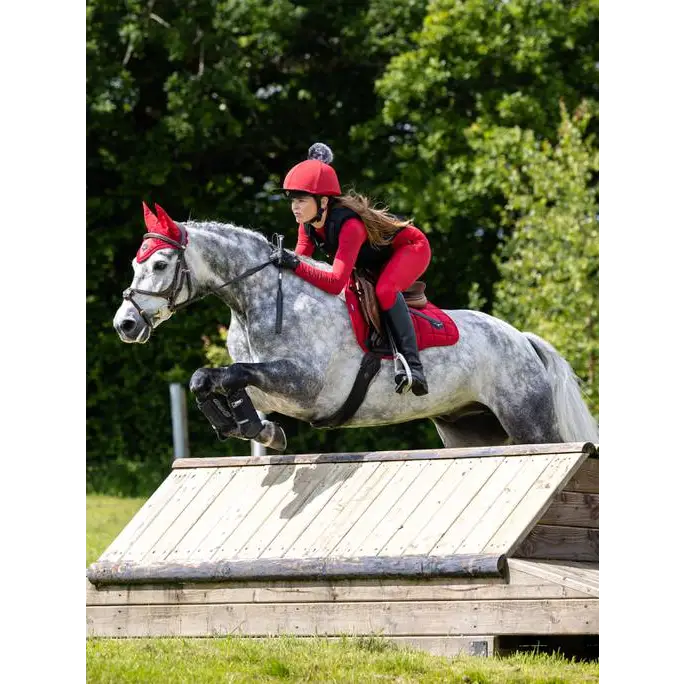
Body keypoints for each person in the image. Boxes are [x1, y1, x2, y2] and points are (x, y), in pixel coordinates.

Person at [271, 142, 432, 396]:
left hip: (411, 248)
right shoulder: (308, 223)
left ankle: (413, 366)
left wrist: (295, 264)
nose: (295, 207)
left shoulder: (349, 225)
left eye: (301, 200)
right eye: (293, 201)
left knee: (385, 290)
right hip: (372, 261)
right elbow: (300, 261)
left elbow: (334, 281)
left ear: (323, 201)